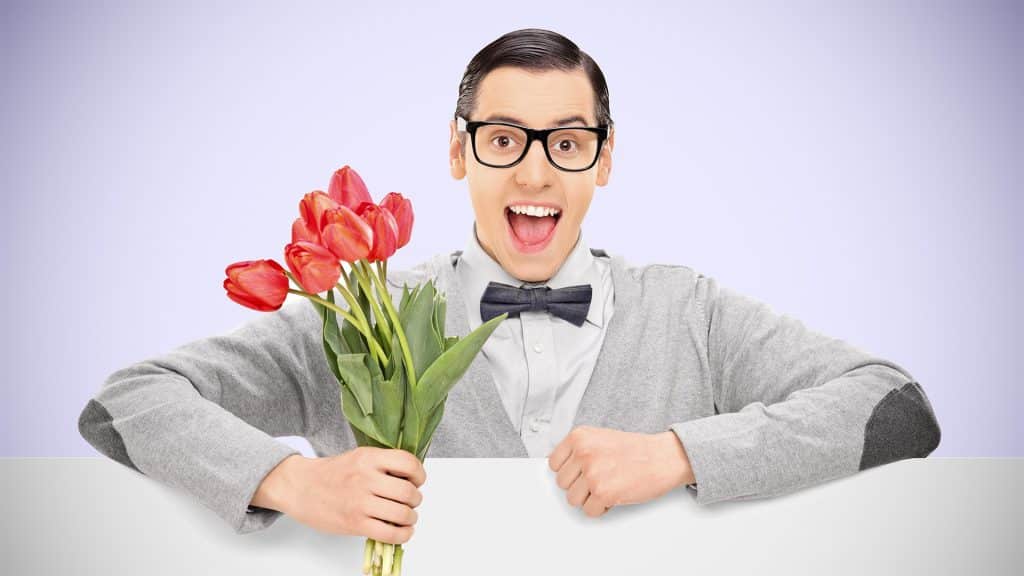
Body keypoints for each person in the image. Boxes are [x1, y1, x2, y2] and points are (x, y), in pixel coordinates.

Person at [78, 28, 941, 546]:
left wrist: (679, 454)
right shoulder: (356, 321)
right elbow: (123, 407)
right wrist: (291, 481)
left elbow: (898, 408)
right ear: (459, 153)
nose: (534, 171)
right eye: (503, 139)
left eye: (566, 141)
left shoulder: (693, 314)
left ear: (604, 158)